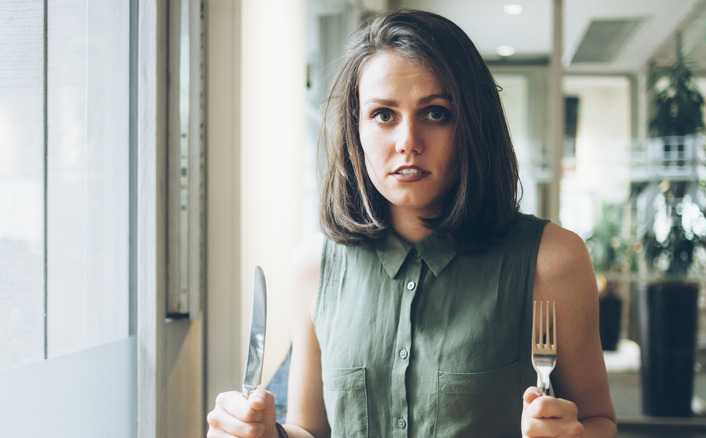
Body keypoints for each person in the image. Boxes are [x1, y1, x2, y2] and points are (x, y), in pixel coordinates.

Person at [207, 8, 616, 438]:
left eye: (435, 113)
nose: (408, 143)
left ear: (473, 125)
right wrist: (265, 434)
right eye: (384, 114)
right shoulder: (313, 265)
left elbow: (600, 422)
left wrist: (575, 434)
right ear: (356, 128)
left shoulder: (552, 260)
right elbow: (311, 429)